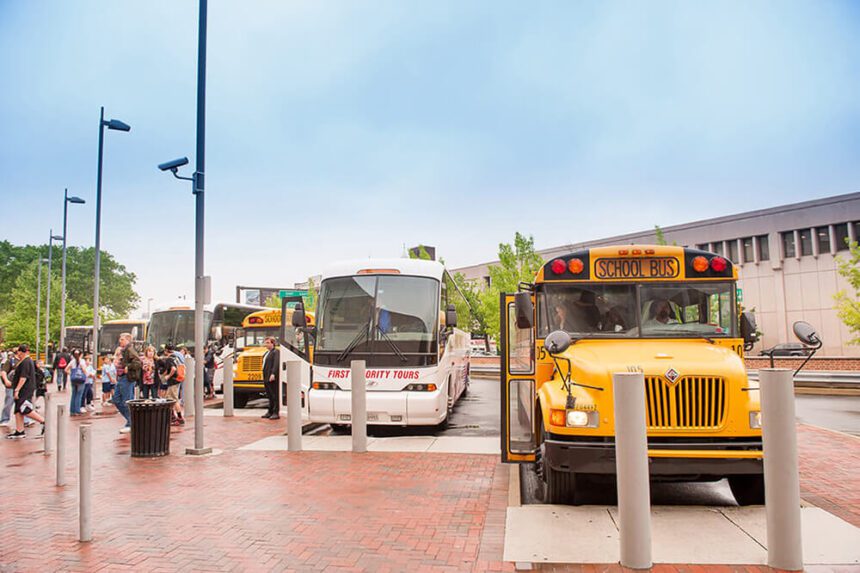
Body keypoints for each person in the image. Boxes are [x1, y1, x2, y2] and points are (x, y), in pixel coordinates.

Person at [5, 345, 45, 439]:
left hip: (25, 389)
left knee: (24, 408)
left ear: (21, 352)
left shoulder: (26, 362)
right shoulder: (27, 361)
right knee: (18, 410)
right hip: (25, 388)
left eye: (18, 352)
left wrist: (17, 389)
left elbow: (23, 377)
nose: (17, 354)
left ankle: (43, 421)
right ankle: (20, 430)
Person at [114, 333, 142, 434]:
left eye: (122, 339)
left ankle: (131, 423)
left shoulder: (130, 349)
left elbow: (138, 362)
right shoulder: (123, 350)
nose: (120, 341)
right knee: (116, 399)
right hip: (121, 377)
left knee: (127, 400)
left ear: (127, 340)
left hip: (127, 378)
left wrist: (128, 367)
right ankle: (132, 420)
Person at [157, 346, 184, 425]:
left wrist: (168, 376)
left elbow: (173, 369)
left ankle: (179, 418)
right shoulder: (176, 357)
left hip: (173, 381)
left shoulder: (169, 359)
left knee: (173, 399)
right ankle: (173, 416)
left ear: (166, 351)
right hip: (177, 380)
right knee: (170, 398)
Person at [65, 349, 88, 417]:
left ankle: (72, 411)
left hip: (73, 380)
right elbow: (84, 370)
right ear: (81, 354)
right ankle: (77, 410)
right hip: (81, 380)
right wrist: (86, 375)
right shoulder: (82, 361)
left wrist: (71, 374)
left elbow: (66, 369)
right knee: (79, 395)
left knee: (73, 395)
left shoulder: (72, 361)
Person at [262, 336, 280, 420]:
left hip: (271, 376)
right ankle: (270, 411)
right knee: (269, 395)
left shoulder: (276, 352)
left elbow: (276, 364)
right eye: (265, 342)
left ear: (273, 343)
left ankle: (275, 412)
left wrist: (273, 374)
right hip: (266, 376)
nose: (266, 344)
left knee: (274, 395)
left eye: (268, 342)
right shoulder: (266, 353)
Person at [1, 352, 17, 427]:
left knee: (23, 403)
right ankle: (4, 419)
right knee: (9, 402)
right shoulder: (11, 361)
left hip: (22, 386)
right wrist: (6, 381)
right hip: (11, 385)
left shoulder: (25, 360)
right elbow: (3, 372)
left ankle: (26, 419)